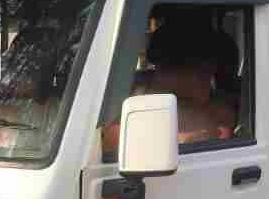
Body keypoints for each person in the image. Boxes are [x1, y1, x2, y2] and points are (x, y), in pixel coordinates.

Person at [101, 11, 240, 153]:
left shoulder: (220, 112)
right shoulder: (128, 104)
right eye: (201, 67)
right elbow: (111, 144)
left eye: (211, 68)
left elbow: (220, 149)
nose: (208, 77)